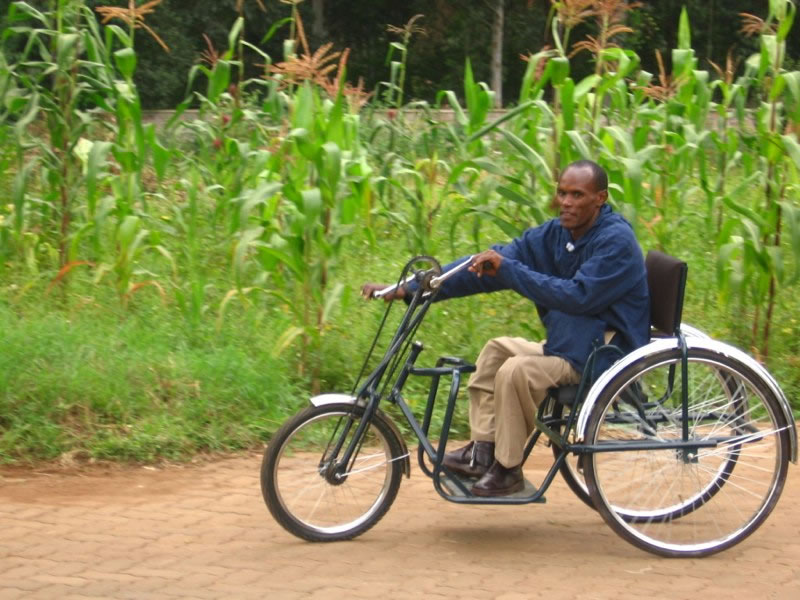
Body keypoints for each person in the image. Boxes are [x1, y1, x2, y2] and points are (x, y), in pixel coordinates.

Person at [361, 160, 650, 497]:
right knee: (497, 350)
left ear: (600, 198)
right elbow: (494, 261)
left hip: (601, 354)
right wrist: (412, 288)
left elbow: (578, 296)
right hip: (571, 343)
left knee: (516, 372)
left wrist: (510, 271)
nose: (566, 202)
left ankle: (508, 469)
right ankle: (483, 452)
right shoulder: (558, 234)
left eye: (577, 195)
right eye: (562, 193)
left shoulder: (616, 242)